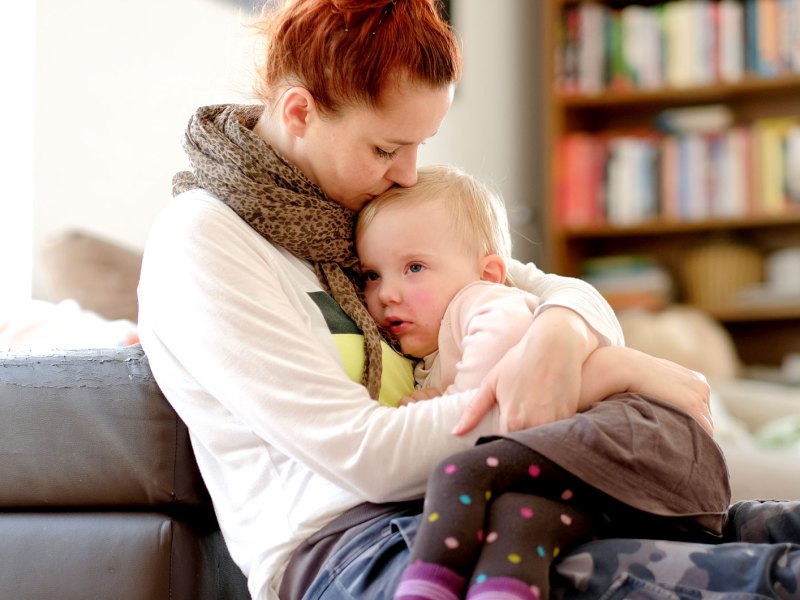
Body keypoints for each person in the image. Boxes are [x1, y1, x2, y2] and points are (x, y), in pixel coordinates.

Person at [135, 1, 797, 599]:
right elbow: (366, 458)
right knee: (728, 580)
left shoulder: (358, 209)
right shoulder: (209, 240)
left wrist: (561, 337)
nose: (407, 173)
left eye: (419, 147)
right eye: (386, 147)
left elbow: (550, 289)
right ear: (299, 113)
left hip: (499, 491)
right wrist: (597, 375)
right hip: (359, 541)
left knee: (756, 527)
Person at [355, 164, 730, 600]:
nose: (386, 293)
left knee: (460, 473)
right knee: (520, 514)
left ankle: (427, 588)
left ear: (489, 273)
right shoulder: (432, 339)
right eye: (372, 275)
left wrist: (452, 399)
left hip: (640, 434)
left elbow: (503, 333)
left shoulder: (478, 300)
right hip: (635, 484)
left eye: (414, 267)